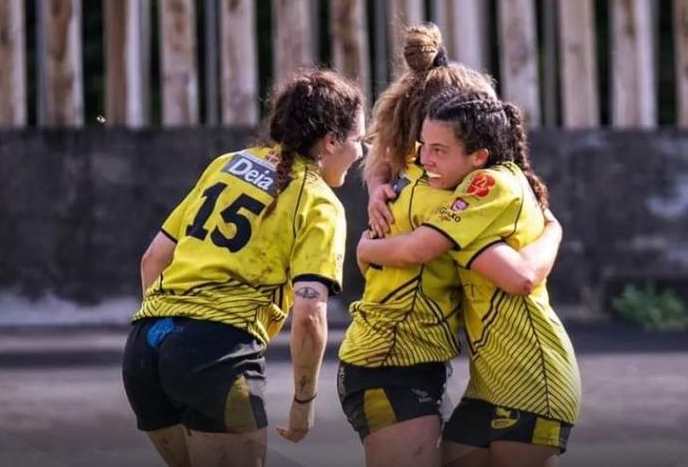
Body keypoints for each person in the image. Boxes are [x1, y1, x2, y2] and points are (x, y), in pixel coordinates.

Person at [337, 23, 564, 467]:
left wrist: (376, 189)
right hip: (398, 360)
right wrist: (553, 228)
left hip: (394, 358)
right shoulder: (461, 189)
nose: (427, 156)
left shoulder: (404, 182)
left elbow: (385, 157)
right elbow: (518, 275)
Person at [122, 68, 365, 467]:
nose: (361, 152)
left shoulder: (227, 164)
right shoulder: (319, 203)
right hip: (215, 355)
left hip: (144, 348)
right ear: (332, 141)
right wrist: (303, 403)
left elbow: (153, 259)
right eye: (358, 141)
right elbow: (309, 315)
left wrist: (173, 338)